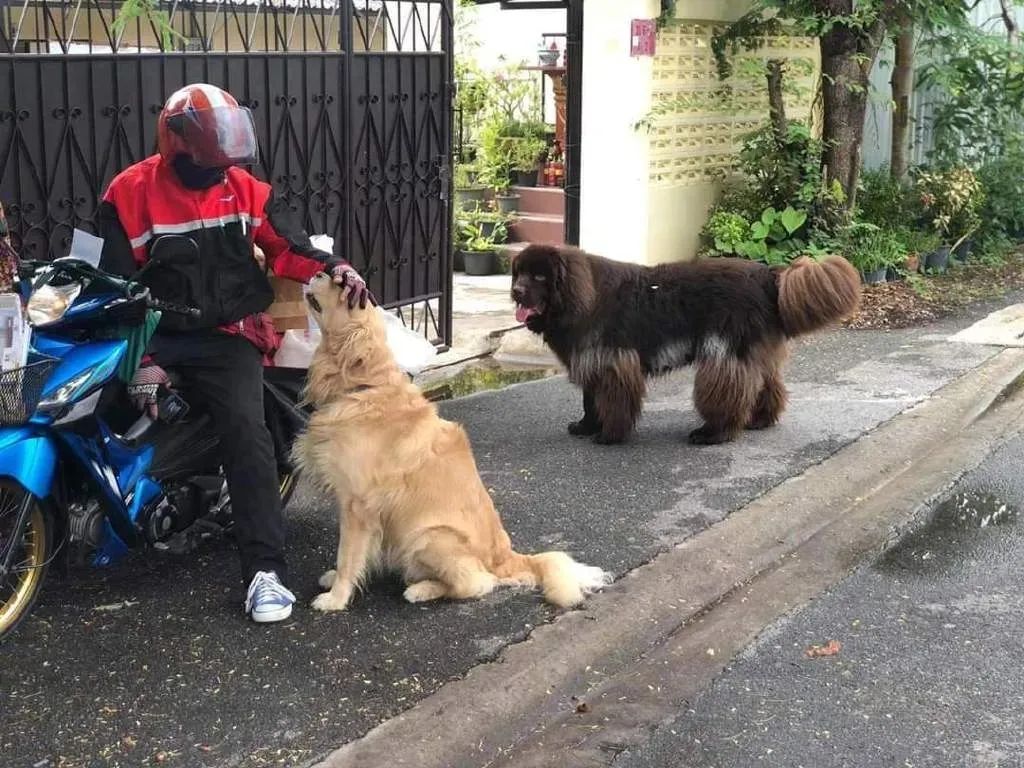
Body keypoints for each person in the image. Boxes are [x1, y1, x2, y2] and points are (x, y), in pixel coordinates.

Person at [97, 83, 372, 624]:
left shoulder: (246, 189)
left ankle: (264, 573)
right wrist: (143, 357)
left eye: (226, 157)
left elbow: (288, 248)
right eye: (209, 156)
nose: (219, 168)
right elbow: (116, 286)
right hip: (155, 330)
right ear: (177, 143)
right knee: (92, 407)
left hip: (226, 334)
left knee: (248, 436)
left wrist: (335, 266)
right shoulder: (129, 193)